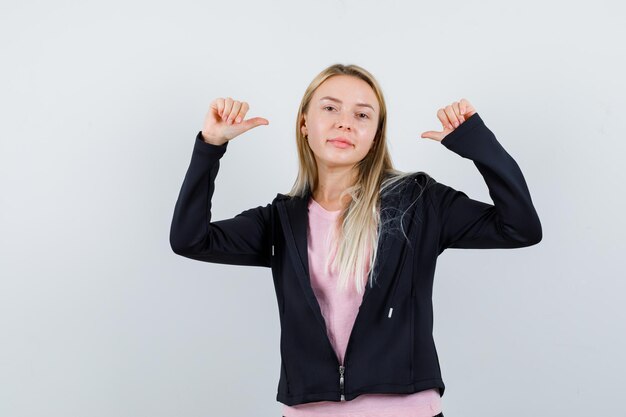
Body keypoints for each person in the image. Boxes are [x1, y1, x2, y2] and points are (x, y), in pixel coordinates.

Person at [169, 63, 542, 417]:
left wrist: (479, 146)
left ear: (375, 134)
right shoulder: (280, 221)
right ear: (304, 124)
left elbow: (520, 227)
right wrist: (210, 146)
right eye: (330, 108)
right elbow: (191, 239)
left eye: (362, 115)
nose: (345, 123)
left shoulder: (419, 201)